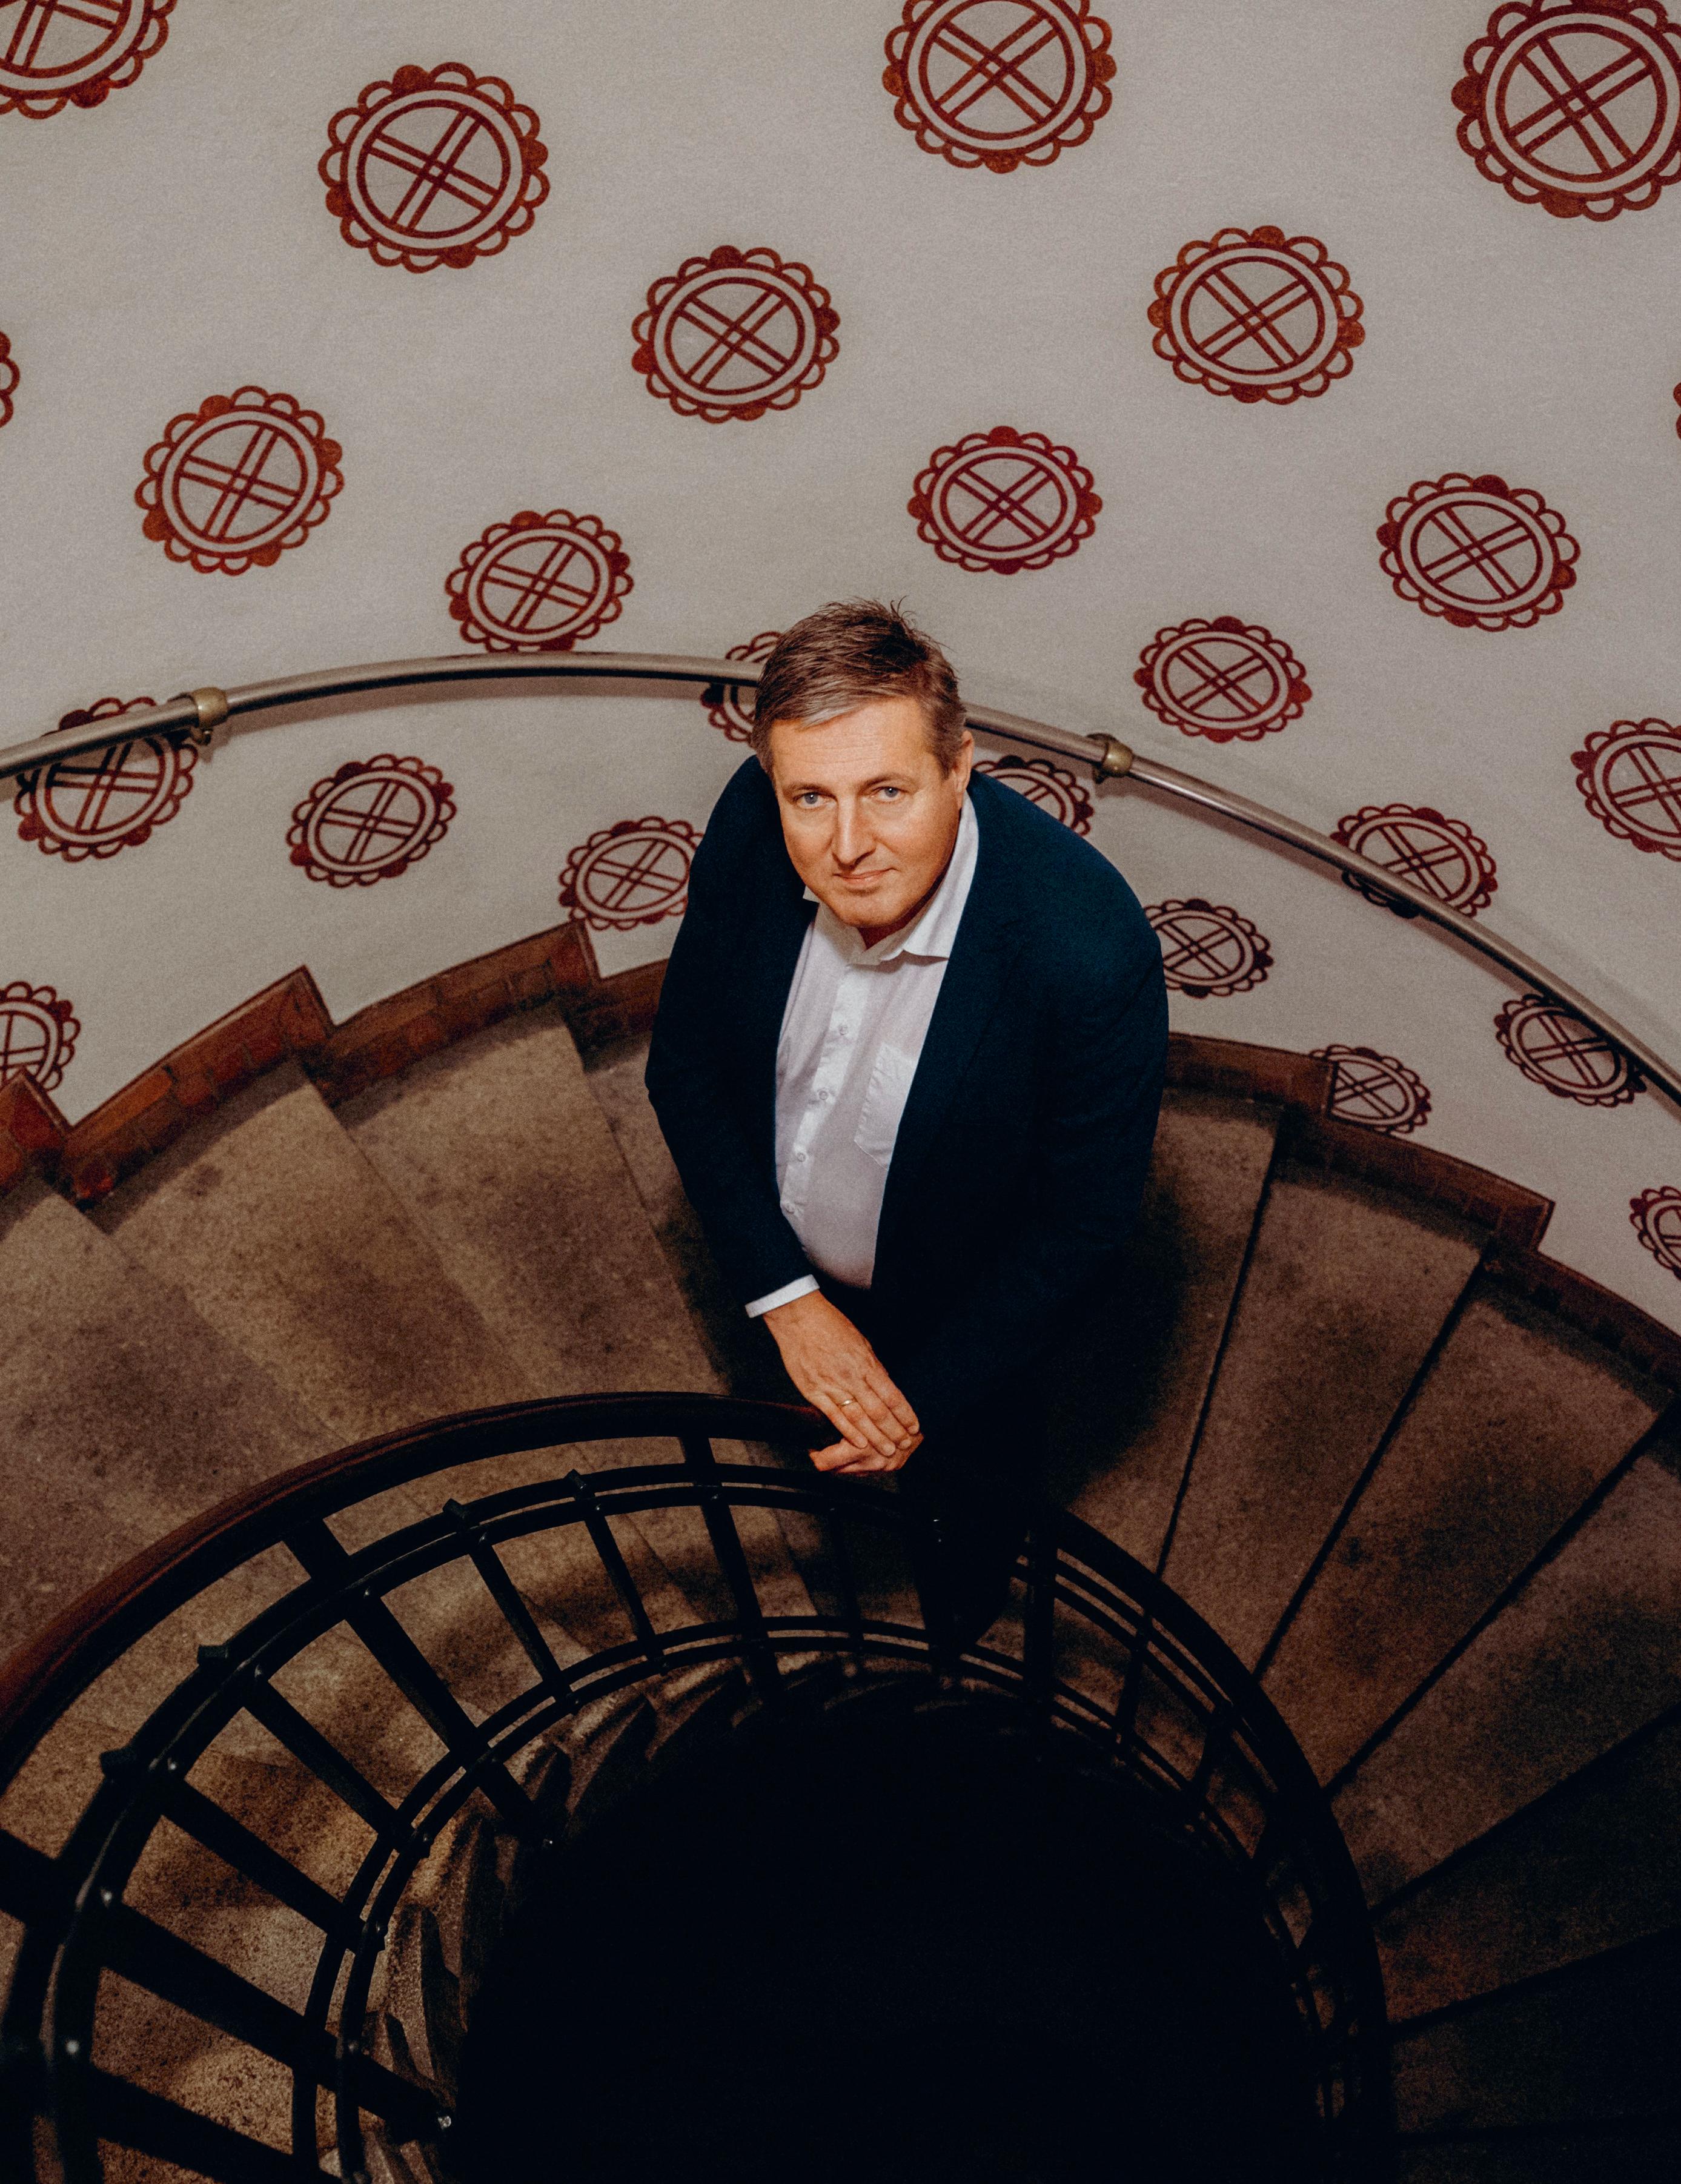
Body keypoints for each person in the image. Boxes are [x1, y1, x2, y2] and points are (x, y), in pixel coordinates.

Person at [646, 600, 1167, 1643]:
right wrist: (787, 1299)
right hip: (785, 1275)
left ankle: (960, 1619)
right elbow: (685, 1068)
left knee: (972, 1492)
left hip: (956, 1312)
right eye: (811, 797)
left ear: (959, 765)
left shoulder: (1087, 951)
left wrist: (922, 1397)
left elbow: (1083, 1225)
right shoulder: (751, 821)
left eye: (887, 790)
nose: (847, 846)